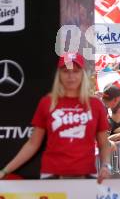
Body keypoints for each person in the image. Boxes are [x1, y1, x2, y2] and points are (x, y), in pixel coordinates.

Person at [0, 53, 111, 183]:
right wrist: (5, 171)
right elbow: (33, 144)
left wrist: (105, 165)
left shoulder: (95, 104)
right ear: (59, 74)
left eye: (75, 71)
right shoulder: (47, 102)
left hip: (85, 175)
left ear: (83, 74)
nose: (71, 76)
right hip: (52, 176)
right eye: (66, 71)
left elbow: (104, 144)